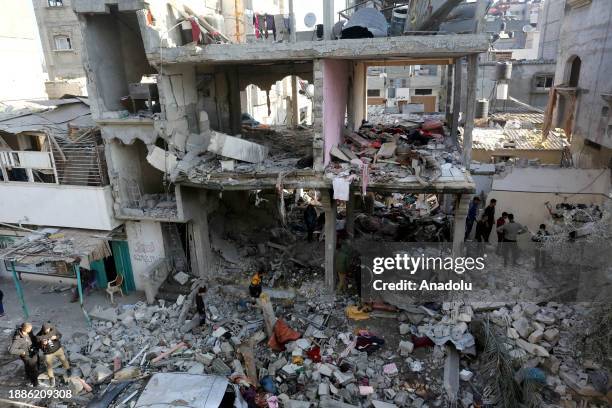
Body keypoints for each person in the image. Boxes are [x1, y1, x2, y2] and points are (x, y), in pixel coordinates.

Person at [36, 322, 70, 387]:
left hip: (58, 349)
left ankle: (68, 369)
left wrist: (56, 337)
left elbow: (60, 335)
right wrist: (42, 344)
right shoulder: (39, 336)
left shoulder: (53, 330)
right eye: (46, 330)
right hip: (48, 353)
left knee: (63, 360)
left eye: (48, 329)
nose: (47, 331)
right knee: (49, 365)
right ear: (43, 329)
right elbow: (37, 345)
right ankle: (51, 378)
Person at [9, 322, 40, 387]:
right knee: (33, 369)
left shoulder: (29, 332)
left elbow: (32, 337)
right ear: (25, 329)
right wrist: (22, 351)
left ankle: (28, 375)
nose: (31, 330)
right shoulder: (18, 339)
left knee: (29, 366)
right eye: (30, 329)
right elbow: (11, 350)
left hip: (33, 352)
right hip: (27, 356)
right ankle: (35, 383)